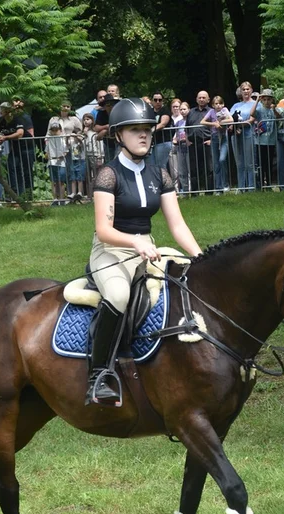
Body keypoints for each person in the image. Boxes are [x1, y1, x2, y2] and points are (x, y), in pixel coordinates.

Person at [86, 97, 202, 406]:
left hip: (146, 248)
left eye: (148, 130)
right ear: (118, 135)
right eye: (135, 130)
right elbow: (103, 229)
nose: (144, 136)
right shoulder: (108, 175)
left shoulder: (159, 174)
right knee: (119, 295)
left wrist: (201, 257)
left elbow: (177, 226)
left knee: (186, 283)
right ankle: (99, 375)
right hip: (111, 251)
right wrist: (136, 242)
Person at [0, 101, 35, 199]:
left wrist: (5, 138)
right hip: (15, 148)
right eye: (3, 110)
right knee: (11, 167)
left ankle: (29, 195)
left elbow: (20, 134)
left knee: (27, 171)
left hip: (26, 148)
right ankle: (15, 194)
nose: (5, 112)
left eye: (7, 110)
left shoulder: (18, 118)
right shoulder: (1, 120)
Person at [200, 95, 233, 193]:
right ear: (213, 105)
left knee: (222, 159)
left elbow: (231, 120)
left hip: (223, 137)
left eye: (220, 103)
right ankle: (218, 188)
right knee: (216, 163)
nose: (218, 106)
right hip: (214, 137)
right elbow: (202, 122)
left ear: (223, 104)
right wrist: (214, 123)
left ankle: (225, 184)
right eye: (216, 104)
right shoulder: (211, 112)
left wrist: (221, 122)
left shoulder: (225, 110)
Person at [229, 82, 256, 191]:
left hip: (249, 134)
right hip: (236, 135)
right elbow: (230, 118)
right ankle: (241, 187)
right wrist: (232, 126)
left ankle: (251, 187)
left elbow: (253, 118)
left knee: (249, 162)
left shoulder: (255, 104)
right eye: (243, 89)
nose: (245, 91)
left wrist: (241, 125)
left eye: (247, 89)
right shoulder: (236, 105)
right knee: (239, 162)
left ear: (251, 90)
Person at [186, 90, 213, 192]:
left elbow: (215, 128)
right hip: (193, 143)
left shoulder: (211, 112)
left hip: (207, 142)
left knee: (209, 168)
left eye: (203, 98)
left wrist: (211, 139)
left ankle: (209, 191)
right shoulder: (191, 112)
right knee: (194, 169)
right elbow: (186, 127)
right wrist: (187, 140)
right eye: (200, 98)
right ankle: (194, 192)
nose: (201, 99)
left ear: (208, 99)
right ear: (196, 99)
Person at [250, 89, 277, 189]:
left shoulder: (273, 110)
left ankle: (269, 184)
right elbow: (252, 113)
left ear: (271, 100)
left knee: (269, 164)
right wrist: (257, 100)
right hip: (260, 141)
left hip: (271, 141)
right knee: (261, 164)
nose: (266, 101)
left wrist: (274, 109)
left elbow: (279, 117)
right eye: (264, 99)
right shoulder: (260, 109)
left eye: (268, 99)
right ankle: (260, 185)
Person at [45, 116, 68, 205]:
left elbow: (66, 151)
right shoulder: (49, 139)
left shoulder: (62, 139)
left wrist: (60, 156)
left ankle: (62, 199)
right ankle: (55, 199)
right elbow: (46, 152)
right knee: (53, 182)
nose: (54, 132)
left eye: (56, 130)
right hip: (52, 162)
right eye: (53, 130)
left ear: (60, 130)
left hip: (61, 162)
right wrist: (48, 156)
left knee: (61, 181)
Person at [93, 93, 119, 163]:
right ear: (104, 106)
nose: (110, 107)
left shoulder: (119, 113)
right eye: (108, 105)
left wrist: (104, 131)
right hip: (108, 144)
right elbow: (96, 128)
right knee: (109, 163)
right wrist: (106, 127)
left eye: (112, 104)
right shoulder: (101, 113)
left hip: (119, 143)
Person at [148, 92, 172, 169]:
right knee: (151, 166)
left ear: (162, 101)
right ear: (152, 101)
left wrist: (151, 130)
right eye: (155, 100)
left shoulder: (165, 110)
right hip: (151, 143)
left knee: (161, 166)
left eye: (160, 100)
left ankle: (163, 181)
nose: (157, 102)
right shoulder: (149, 111)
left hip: (163, 142)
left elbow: (163, 124)